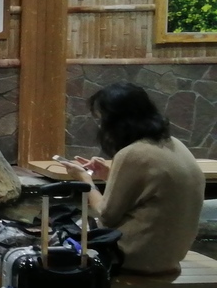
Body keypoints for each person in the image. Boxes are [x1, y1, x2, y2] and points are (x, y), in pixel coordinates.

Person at [62, 81, 205, 275]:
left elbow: (107, 215)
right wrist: (109, 175)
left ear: (114, 121)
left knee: (65, 232)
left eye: (101, 120)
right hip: (171, 255)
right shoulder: (175, 144)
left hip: (136, 256)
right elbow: (149, 192)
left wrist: (85, 180)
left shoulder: (132, 154)